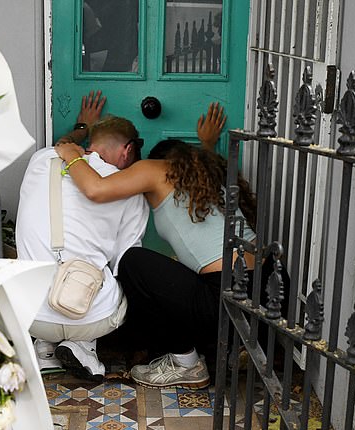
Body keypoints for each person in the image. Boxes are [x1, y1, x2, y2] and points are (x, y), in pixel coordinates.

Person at [54, 103, 260, 389]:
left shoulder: (156, 169)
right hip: (268, 292)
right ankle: (235, 344)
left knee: (133, 262)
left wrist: (72, 152)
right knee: (177, 272)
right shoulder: (212, 178)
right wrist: (208, 144)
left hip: (221, 297)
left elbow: (95, 189)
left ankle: (186, 364)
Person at [16, 92, 148, 382]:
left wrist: (82, 126)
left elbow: (62, 145)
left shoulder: (40, 160)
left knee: (43, 258)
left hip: (30, 313)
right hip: (91, 316)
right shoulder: (130, 192)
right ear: (127, 152)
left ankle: (45, 351)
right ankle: (82, 346)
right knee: (116, 270)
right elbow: (126, 261)